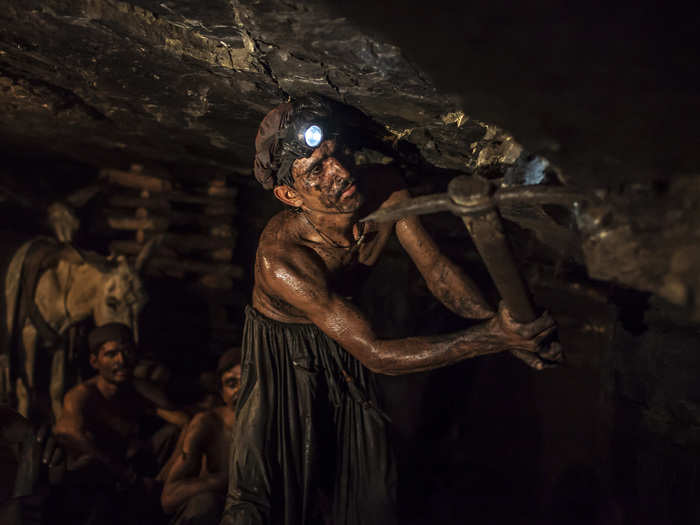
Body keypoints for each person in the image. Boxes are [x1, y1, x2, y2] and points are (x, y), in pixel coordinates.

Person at [221, 95, 559, 525]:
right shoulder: (284, 262)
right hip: (283, 358)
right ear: (290, 194)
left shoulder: (384, 190)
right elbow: (378, 354)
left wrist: (509, 333)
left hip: (346, 338)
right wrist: (495, 337)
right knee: (265, 495)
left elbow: (436, 270)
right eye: (316, 170)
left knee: (370, 489)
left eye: (336, 153)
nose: (340, 172)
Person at [53, 322, 188, 524]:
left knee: (173, 433)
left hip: (129, 467)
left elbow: (185, 421)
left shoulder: (136, 390)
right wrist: (121, 473)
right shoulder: (83, 395)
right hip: (96, 475)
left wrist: (166, 476)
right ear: (94, 361)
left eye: (127, 352)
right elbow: (67, 432)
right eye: (111, 354)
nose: (121, 360)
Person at [161, 348, 242, 524]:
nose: (241, 390)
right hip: (215, 512)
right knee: (205, 503)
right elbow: (169, 497)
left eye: (250, 381)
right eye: (232, 383)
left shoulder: (276, 424)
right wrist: (228, 479)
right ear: (221, 392)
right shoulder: (208, 424)